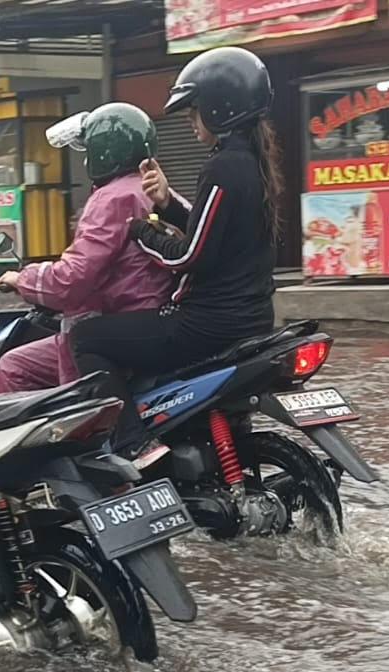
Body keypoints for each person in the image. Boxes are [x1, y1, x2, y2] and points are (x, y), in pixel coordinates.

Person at [69, 47, 284, 467]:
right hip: (253, 318)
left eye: (194, 110)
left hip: (206, 324)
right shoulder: (252, 163)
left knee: (87, 338)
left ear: (220, 109)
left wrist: (139, 230)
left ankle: (132, 442)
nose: (189, 120)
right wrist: (165, 203)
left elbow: (190, 257)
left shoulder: (222, 168)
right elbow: (214, 231)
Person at [0, 103, 173, 393]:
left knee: (14, 367)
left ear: (104, 152)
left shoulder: (111, 198)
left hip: (114, 318)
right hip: (153, 316)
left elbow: (72, 279)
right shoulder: (153, 189)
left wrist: (21, 278)